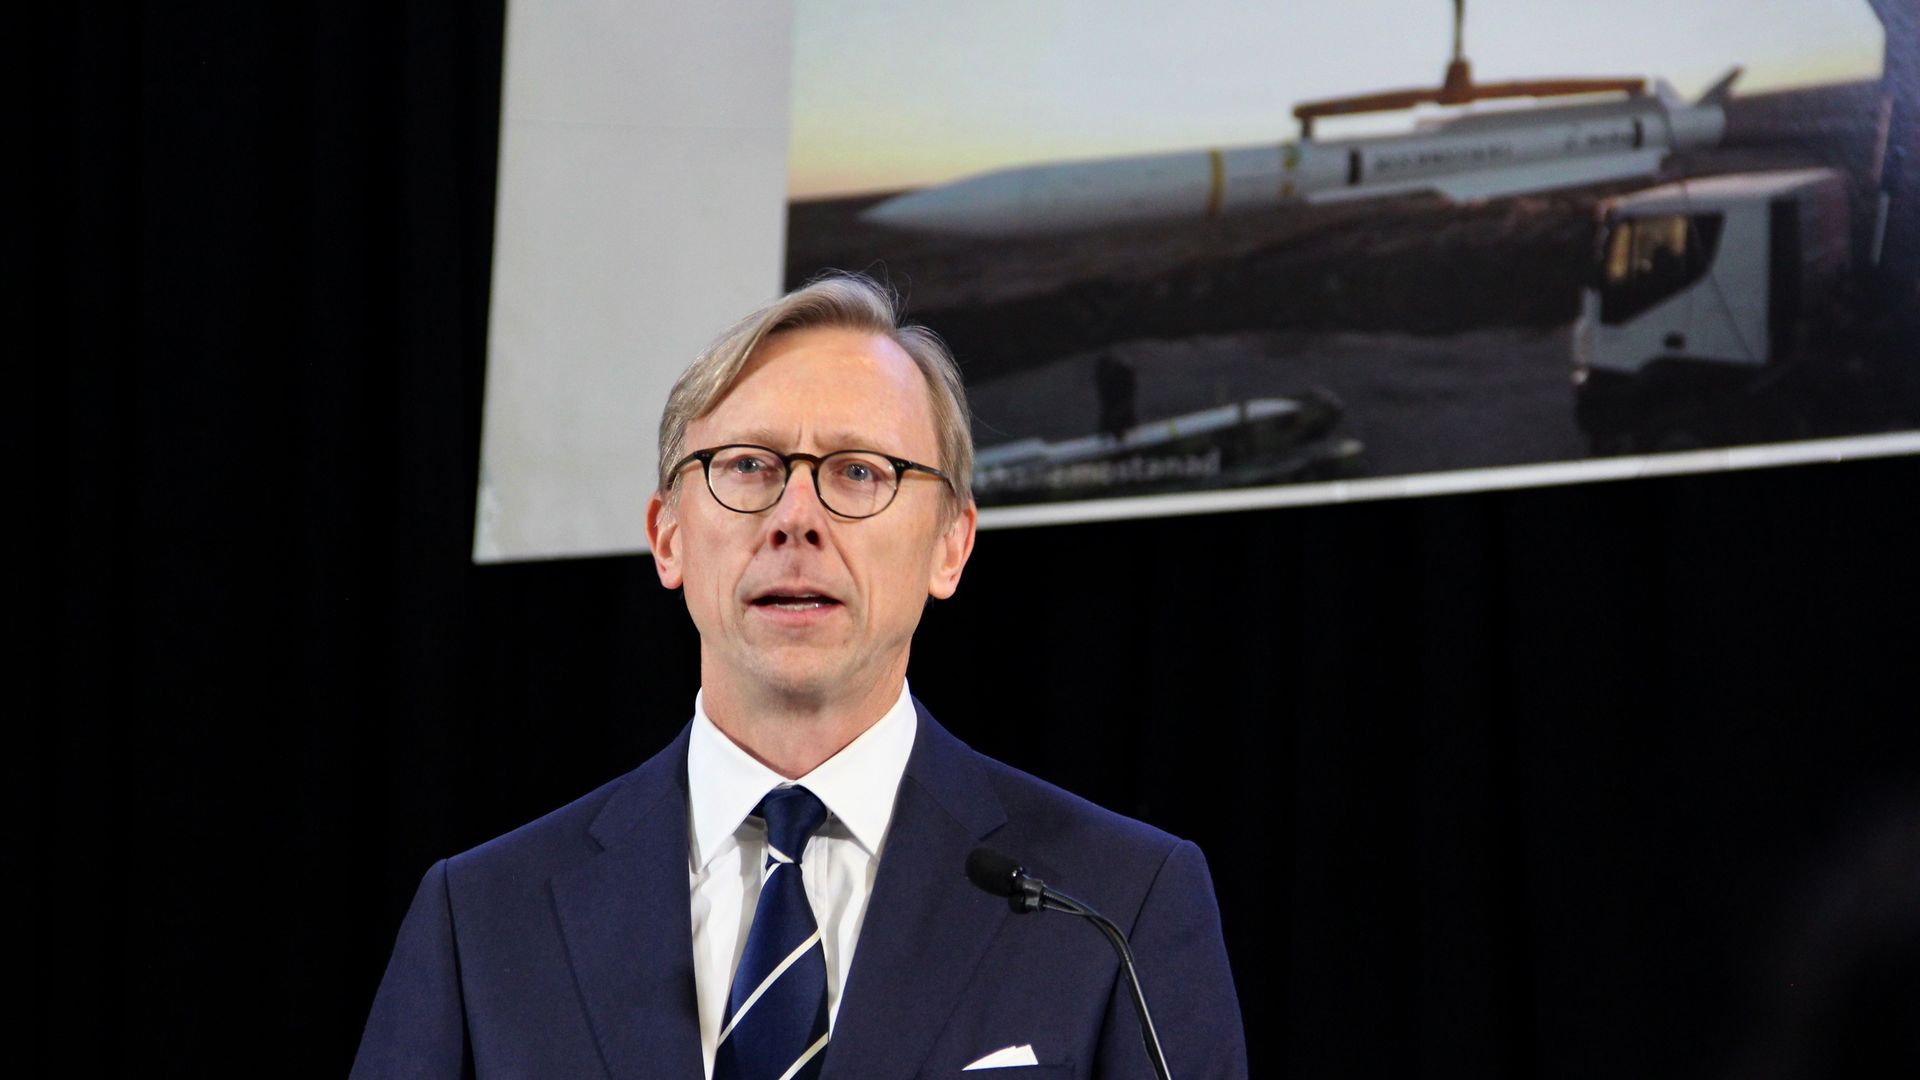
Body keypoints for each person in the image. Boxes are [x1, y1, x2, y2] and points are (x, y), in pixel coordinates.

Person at [350, 274, 1248, 1079]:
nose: (796, 518)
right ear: (668, 537)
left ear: (951, 545)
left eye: (860, 472)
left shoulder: (1118, 903)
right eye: (748, 467)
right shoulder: (483, 919)